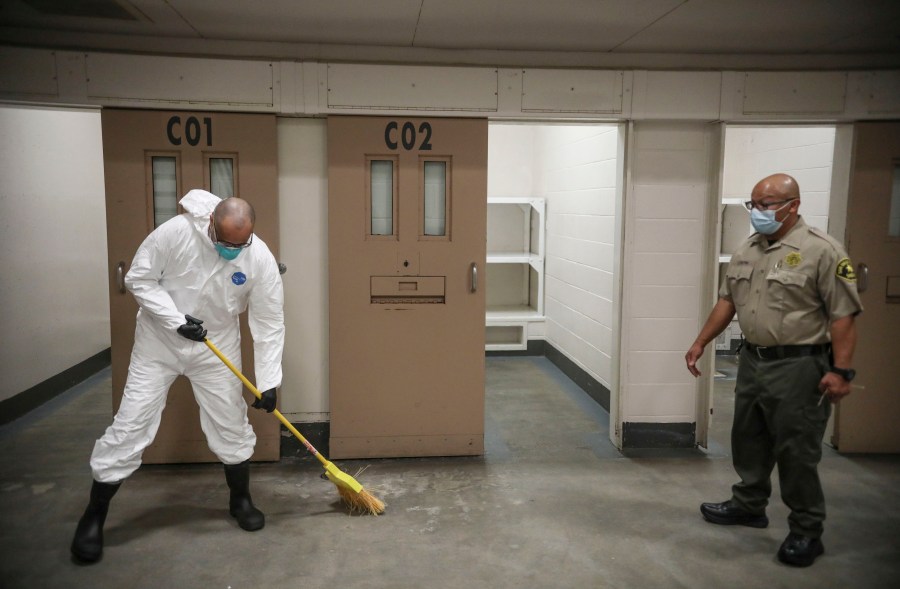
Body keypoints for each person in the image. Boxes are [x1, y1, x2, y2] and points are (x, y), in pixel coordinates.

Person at [71, 189, 285, 564]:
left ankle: (240, 500)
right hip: (160, 344)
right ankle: (94, 515)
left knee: (230, 422)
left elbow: (268, 321)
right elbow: (140, 279)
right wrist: (175, 321)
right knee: (132, 422)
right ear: (211, 226)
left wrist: (268, 381)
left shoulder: (259, 256)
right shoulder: (175, 233)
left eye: (241, 243)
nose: (233, 250)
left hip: (216, 345)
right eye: (226, 242)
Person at [685, 173, 862, 568]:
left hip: (800, 365)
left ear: (793, 205)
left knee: (796, 450)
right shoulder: (747, 249)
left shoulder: (823, 251)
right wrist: (701, 342)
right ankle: (750, 504)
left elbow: (844, 316)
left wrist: (841, 371)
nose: (758, 212)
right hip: (754, 361)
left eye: (767, 204)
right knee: (748, 437)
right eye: (754, 204)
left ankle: (806, 530)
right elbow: (727, 301)